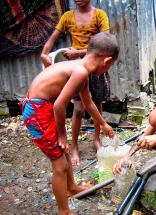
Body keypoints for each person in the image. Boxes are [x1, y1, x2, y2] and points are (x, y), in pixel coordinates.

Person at [22, 32, 119, 215]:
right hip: (37, 111)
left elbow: (88, 103)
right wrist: (62, 136)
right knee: (60, 165)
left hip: (40, 107)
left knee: (63, 153)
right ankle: (63, 211)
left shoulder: (80, 68)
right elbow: (59, 106)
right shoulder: (81, 72)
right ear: (107, 61)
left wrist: (104, 125)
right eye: (110, 66)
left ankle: (72, 187)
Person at [40, 0, 110, 166]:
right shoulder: (68, 16)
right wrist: (44, 53)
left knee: (97, 103)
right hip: (77, 67)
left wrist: (78, 51)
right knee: (78, 108)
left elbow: (106, 43)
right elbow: (52, 38)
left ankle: (96, 139)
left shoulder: (100, 15)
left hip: (97, 65)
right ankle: (74, 146)